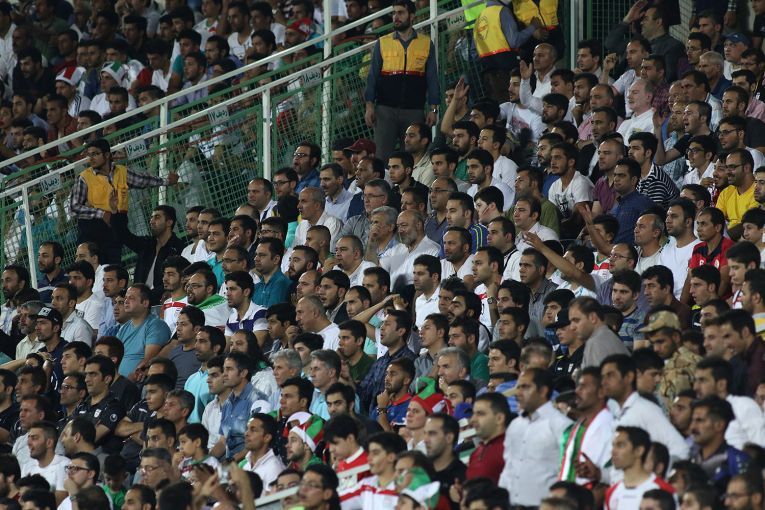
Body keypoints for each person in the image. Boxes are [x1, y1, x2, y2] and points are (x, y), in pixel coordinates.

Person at [70, 138, 179, 264]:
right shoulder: (84, 177)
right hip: (92, 230)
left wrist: (166, 181)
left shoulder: (121, 172)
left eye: (95, 154)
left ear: (107, 155)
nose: (91, 159)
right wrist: (102, 214)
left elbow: (143, 180)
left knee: (112, 267)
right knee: (87, 267)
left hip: (115, 228)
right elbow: (73, 207)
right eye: (89, 155)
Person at [363, 0, 439, 161]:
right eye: (394, 13)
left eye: (400, 13)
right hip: (385, 111)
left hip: (414, 110)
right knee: (382, 159)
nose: (395, 17)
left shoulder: (426, 43)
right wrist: (369, 106)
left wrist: (433, 110)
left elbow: (432, 78)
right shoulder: (383, 42)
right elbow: (372, 77)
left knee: (413, 158)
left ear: (412, 16)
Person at [500, 369, 571, 505]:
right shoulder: (515, 425)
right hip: (511, 504)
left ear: (543, 391)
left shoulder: (561, 425)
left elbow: (568, 473)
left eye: (525, 387)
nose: (518, 393)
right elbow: (509, 467)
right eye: (518, 387)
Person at [604, 426, 675, 510]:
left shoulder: (664, 490)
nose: (613, 451)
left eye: (621, 445)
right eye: (613, 445)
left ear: (639, 451)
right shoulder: (611, 492)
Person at [116, 284, 171, 379]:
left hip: (139, 382)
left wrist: (126, 382)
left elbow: (148, 361)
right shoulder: (123, 328)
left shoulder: (156, 325)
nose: (126, 301)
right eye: (126, 298)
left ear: (145, 303)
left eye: (131, 298)